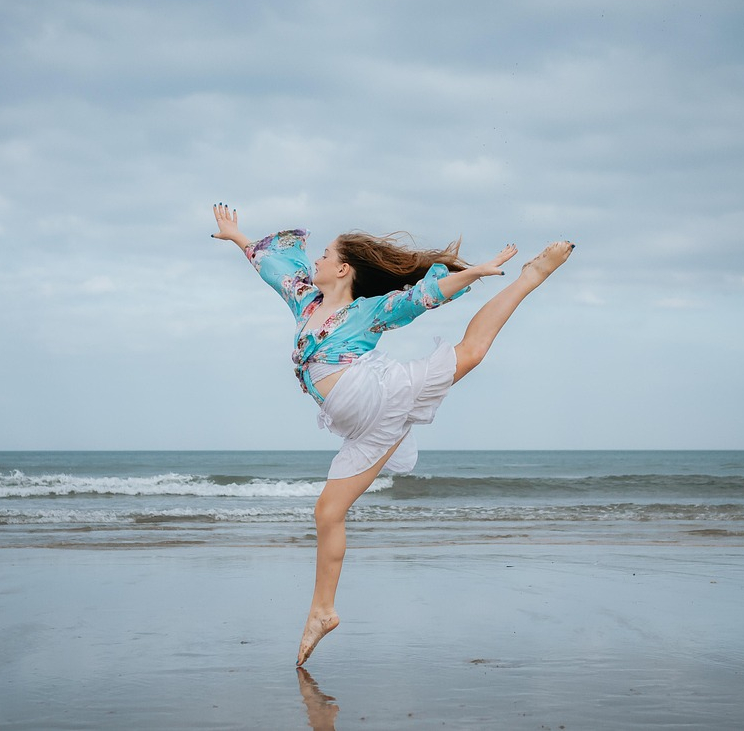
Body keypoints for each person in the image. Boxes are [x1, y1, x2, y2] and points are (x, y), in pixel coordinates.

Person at [210, 203, 574, 665]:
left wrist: (475, 273)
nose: (315, 260)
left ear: (342, 268)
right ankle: (322, 611)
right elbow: (270, 266)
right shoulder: (304, 299)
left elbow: (424, 297)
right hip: (360, 429)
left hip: (380, 394)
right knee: (326, 514)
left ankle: (530, 277)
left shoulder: (369, 311)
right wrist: (238, 236)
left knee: (472, 352)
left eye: (324, 254)